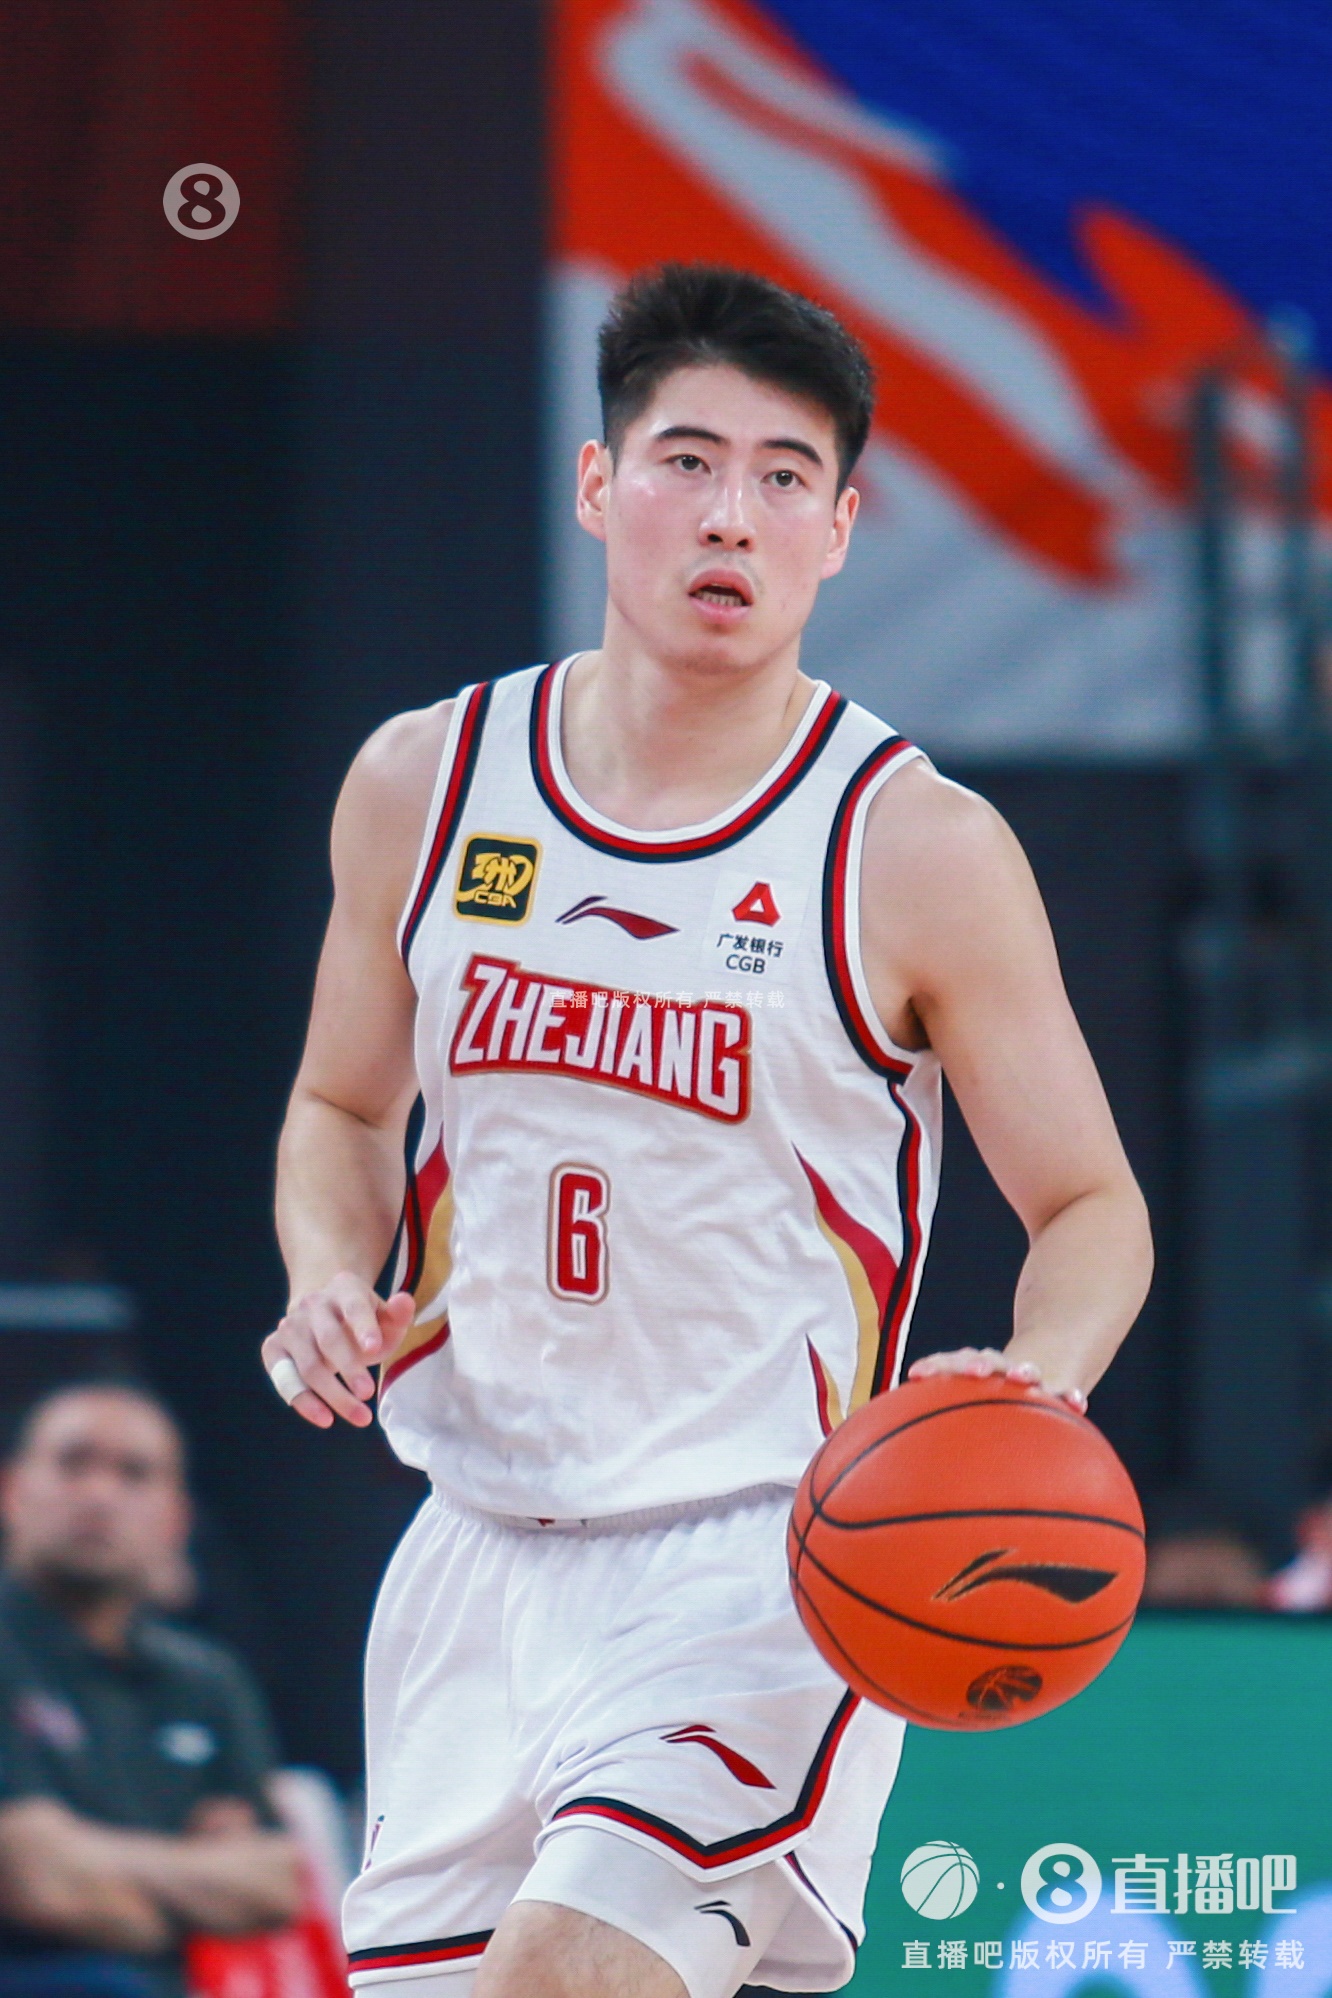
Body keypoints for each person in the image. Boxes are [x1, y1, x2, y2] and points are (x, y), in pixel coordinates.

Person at [262, 264, 1152, 1998]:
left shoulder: (912, 845)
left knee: (563, 1976)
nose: (731, 513)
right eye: (687, 461)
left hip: (768, 1555)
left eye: (784, 476)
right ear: (599, 485)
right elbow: (340, 1104)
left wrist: (1032, 1383)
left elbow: (1094, 1205)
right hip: (474, 1538)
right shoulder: (424, 783)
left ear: (840, 529)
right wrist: (321, 1269)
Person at [0, 1384, 301, 1998]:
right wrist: (197, 1880)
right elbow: (30, 1876)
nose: (99, 1494)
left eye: (133, 1473)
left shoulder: (207, 1678)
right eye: (72, 1463)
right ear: (13, 1490)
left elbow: (276, 1883)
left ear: (175, 1519)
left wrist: (97, 1874)